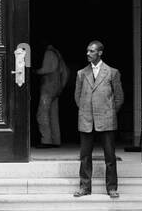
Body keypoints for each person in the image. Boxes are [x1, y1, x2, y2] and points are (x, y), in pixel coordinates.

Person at [73, 40, 124, 198]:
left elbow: (119, 97)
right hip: (86, 119)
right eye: (87, 51)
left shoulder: (112, 72)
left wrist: (109, 112)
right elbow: (77, 96)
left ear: (100, 53)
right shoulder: (81, 73)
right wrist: (85, 110)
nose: (88, 54)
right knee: (85, 156)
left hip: (106, 119)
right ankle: (85, 187)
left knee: (110, 156)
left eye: (92, 51)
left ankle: (112, 188)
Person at [36, 43, 69, 147]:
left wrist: (33, 71)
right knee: (53, 115)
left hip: (48, 87)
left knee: (42, 114)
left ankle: (46, 140)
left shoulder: (49, 53)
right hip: (56, 88)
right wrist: (61, 86)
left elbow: (46, 69)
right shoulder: (58, 54)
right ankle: (56, 140)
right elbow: (66, 72)